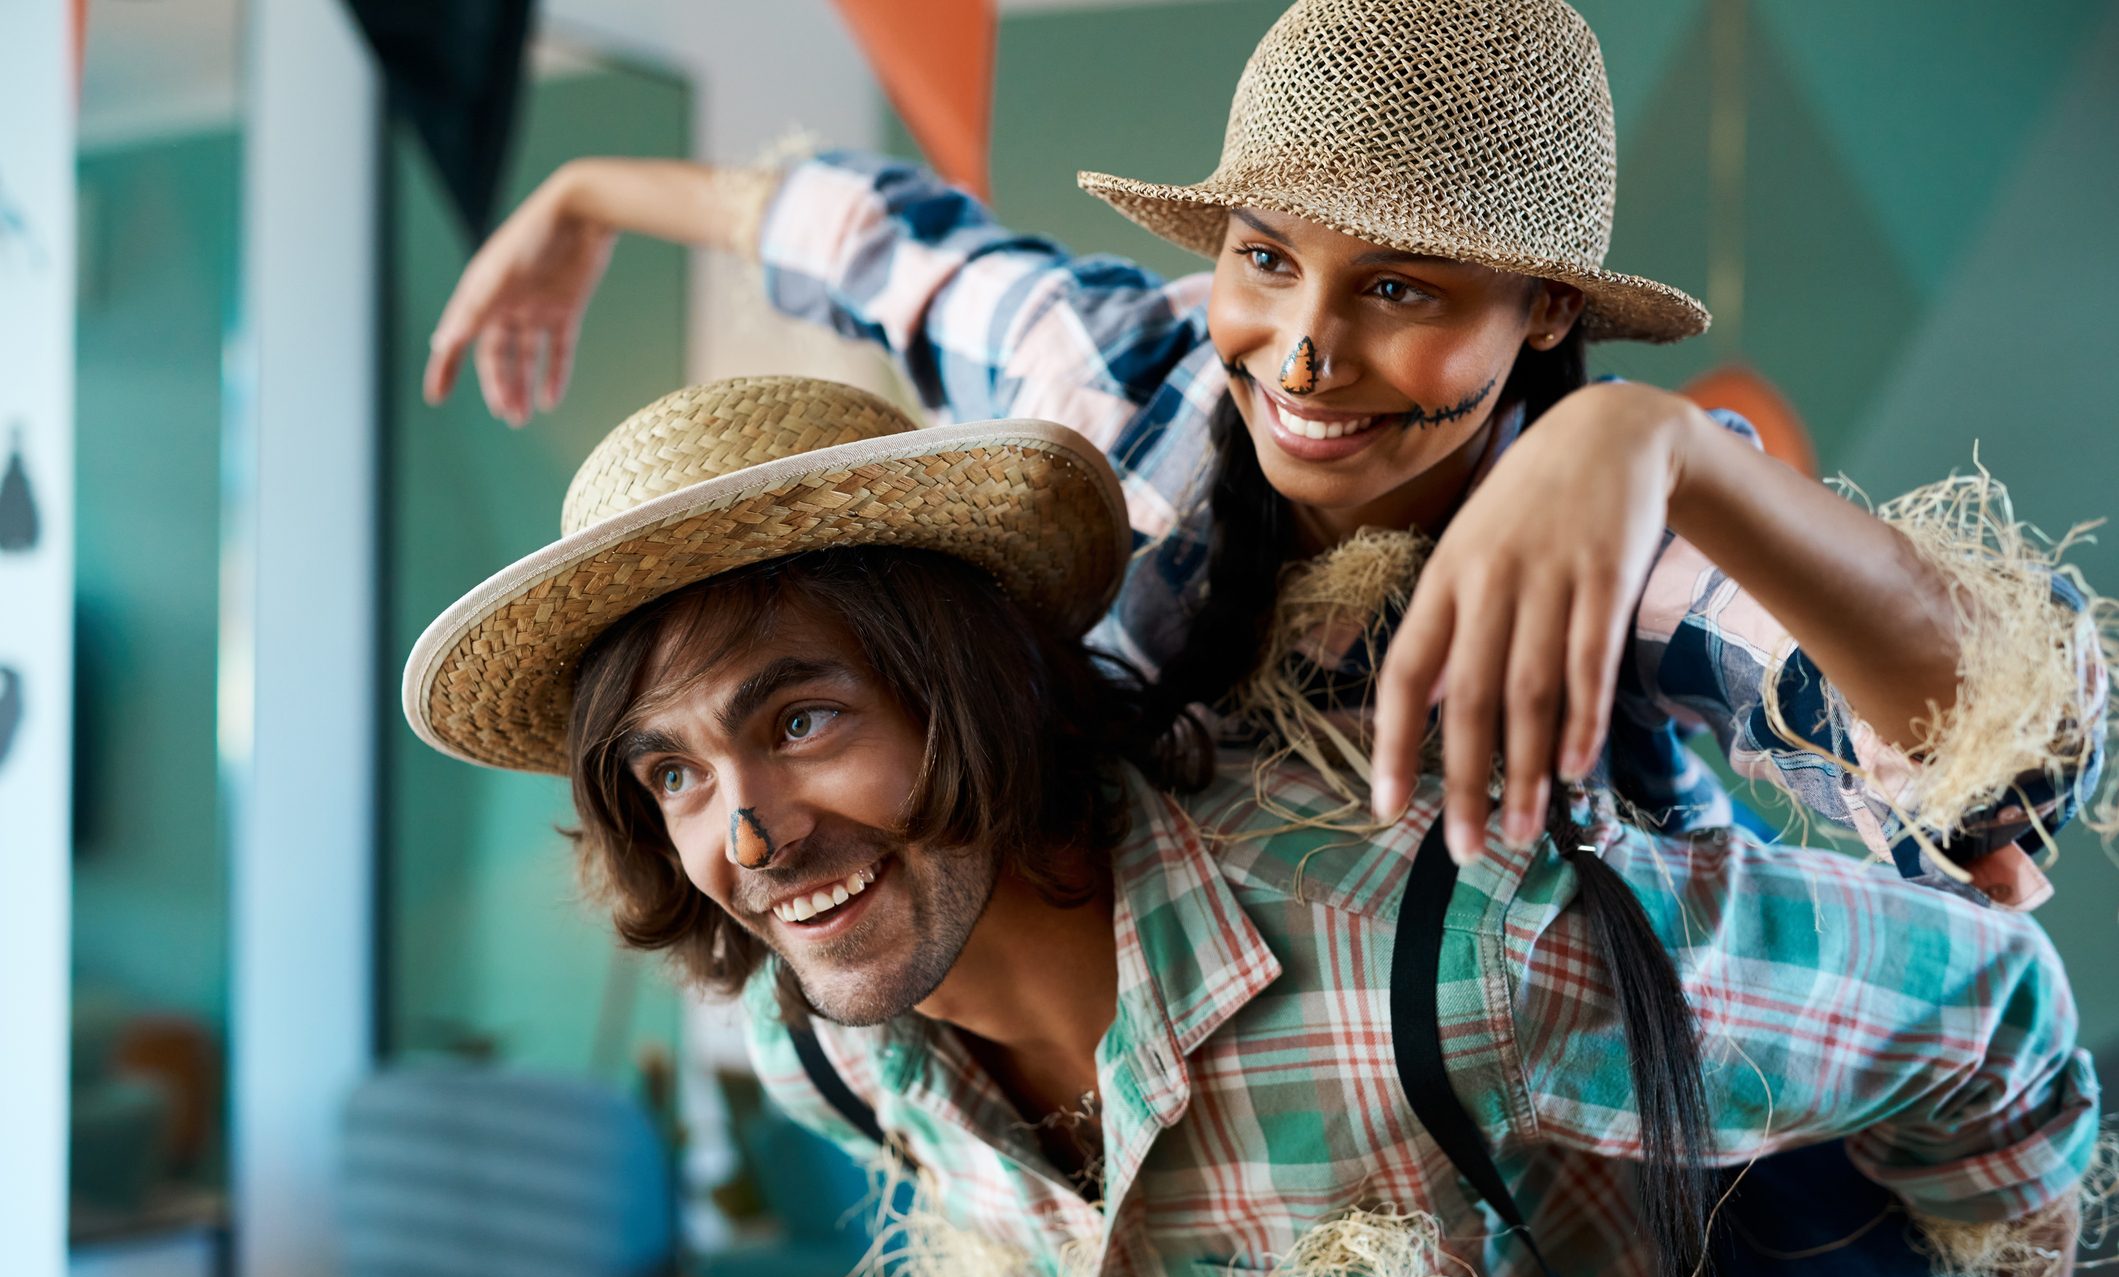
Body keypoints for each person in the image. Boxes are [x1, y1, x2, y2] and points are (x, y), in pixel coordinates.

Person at [404, 376, 2098, 1277]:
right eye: (674, 772)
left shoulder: (1444, 955)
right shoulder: (825, 1050)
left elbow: (1994, 1011)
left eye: (802, 717)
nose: (748, 831)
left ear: (971, 692)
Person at [421, 0, 2107, 917]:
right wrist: (581, 199)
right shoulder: (1125, 366)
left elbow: (2016, 751)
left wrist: (1669, 453)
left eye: (1402, 289)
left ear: (1538, 315)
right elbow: (870, 239)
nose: (1304, 349)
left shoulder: (1620, 554)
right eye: (1264, 254)